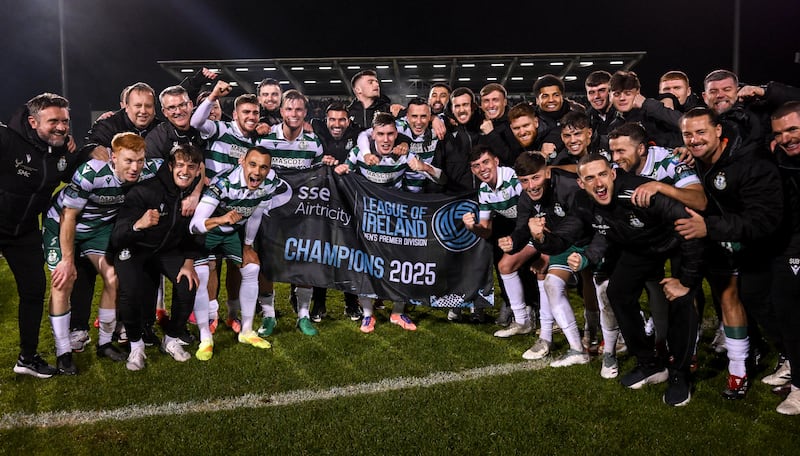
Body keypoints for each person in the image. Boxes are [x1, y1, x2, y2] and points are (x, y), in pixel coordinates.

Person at [545, 154, 704, 406]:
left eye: (602, 174)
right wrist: (542, 237)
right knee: (618, 292)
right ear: (580, 184)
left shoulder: (637, 191)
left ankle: (680, 375)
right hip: (641, 246)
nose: (598, 183)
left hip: (678, 241)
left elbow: (689, 224)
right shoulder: (583, 201)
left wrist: (686, 280)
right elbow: (565, 234)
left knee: (681, 297)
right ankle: (649, 364)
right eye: (590, 178)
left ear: (613, 174)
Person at [675, 107, 783, 400]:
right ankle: (691, 356)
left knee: (739, 298)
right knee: (699, 296)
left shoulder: (749, 161)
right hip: (710, 239)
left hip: (753, 243)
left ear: (718, 131)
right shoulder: (693, 160)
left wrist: (710, 227)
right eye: (687, 135)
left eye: (701, 132)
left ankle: (744, 368)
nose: (694, 140)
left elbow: (762, 219)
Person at [44, 132, 163, 374]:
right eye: (128, 161)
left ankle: (105, 343)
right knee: (63, 280)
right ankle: (63, 352)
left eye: (140, 160)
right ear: (113, 157)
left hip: (98, 230)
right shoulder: (91, 173)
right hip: (62, 226)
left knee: (113, 278)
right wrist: (67, 260)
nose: (135, 168)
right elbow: (69, 216)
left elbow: (184, 164)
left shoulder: (149, 169)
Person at [604, 121, 707, 376]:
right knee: (636, 287)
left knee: (685, 290)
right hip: (649, 237)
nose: (615, 158)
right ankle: (656, 344)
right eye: (613, 152)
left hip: (683, 233)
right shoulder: (616, 168)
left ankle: (690, 348)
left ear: (641, 149)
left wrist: (659, 186)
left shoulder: (670, 161)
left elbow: (700, 200)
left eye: (621, 151)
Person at [2, 92, 86, 378]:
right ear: (33, 122)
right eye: (53, 121)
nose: (61, 127)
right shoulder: (7, 140)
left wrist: (85, 150)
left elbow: (73, 173)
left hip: (24, 231)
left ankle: (27, 358)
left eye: (65, 121)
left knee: (34, 291)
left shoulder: (61, 150)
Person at [334, 112, 441, 333]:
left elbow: (428, 183)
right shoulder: (358, 153)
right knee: (364, 265)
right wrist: (340, 170)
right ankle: (367, 314)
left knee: (401, 265)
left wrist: (423, 168)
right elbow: (343, 176)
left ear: (396, 135)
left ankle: (397, 312)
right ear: (372, 135)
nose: (386, 139)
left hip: (396, 220)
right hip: (368, 219)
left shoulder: (404, 154)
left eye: (390, 134)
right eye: (381, 134)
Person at [110, 144, 205, 370]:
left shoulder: (195, 195)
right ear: (170, 166)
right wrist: (138, 225)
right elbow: (117, 236)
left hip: (166, 250)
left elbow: (197, 231)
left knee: (187, 284)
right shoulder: (145, 191)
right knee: (130, 291)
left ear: (197, 171)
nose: (185, 171)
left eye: (191, 167)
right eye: (180, 165)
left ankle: (171, 339)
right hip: (134, 248)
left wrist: (189, 262)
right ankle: (136, 345)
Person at [189, 145, 279, 360]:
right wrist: (221, 219)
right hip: (208, 232)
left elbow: (255, 215)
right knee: (202, 274)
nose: (257, 172)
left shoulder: (270, 183)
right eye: (253, 165)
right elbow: (194, 225)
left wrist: (247, 245)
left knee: (252, 267)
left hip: (232, 233)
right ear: (243, 162)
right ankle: (205, 338)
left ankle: (246, 331)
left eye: (263, 167)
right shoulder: (223, 183)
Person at [506, 152, 590, 368]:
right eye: (524, 181)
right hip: (563, 243)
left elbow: (577, 224)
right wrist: (512, 241)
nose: (531, 186)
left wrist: (544, 243)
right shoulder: (526, 196)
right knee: (552, 284)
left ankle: (614, 338)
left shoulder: (569, 187)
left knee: (601, 292)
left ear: (547, 173)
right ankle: (577, 350)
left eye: (535, 178)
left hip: (592, 240)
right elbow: (522, 227)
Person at [190, 80, 261, 334]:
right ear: (236, 114)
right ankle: (211, 315)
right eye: (246, 112)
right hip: (212, 208)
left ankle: (232, 314)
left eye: (255, 113)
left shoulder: (254, 142)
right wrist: (212, 96)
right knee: (209, 265)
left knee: (234, 265)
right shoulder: (220, 129)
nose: (251, 117)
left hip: (238, 211)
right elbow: (195, 122)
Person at [256, 89, 326, 337]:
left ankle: (303, 315)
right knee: (266, 264)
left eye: (298, 109)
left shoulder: (314, 143)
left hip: (301, 214)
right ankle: (269, 316)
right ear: (281, 111)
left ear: (305, 113)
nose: (294, 114)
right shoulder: (265, 140)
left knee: (305, 261)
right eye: (289, 109)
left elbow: (320, 177)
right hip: (270, 213)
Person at [461, 145, 538, 343]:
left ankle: (538, 315)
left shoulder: (513, 178)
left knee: (536, 269)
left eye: (485, 162)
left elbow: (533, 207)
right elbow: (486, 230)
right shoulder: (484, 190)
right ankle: (523, 316)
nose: (482, 169)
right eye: (476, 166)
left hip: (538, 225)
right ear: (472, 170)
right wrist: (472, 227)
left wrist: (520, 237)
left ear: (496, 161)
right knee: (505, 263)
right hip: (521, 229)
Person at [308, 102, 364, 321]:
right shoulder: (316, 128)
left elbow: (384, 133)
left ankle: (351, 303)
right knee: (321, 252)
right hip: (321, 200)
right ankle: (318, 303)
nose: (337, 124)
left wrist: (404, 141)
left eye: (342, 119)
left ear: (348, 121)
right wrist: (320, 160)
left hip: (349, 200)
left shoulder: (358, 133)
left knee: (349, 252)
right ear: (326, 120)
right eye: (333, 119)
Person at [768, 101, 800, 414]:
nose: (785, 138)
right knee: (785, 311)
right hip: (789, 245)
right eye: (779, 133)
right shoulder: (779, 155)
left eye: (792, 129)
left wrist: (766, 90)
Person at [607, 71, 683, 148]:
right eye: (617, 94)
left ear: (637, 91)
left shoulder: (652, 112)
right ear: (610, 95)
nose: (622, 98)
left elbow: (683, 122)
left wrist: (646, 104)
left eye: (628, 93)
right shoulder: (613, 125)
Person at [532, 74, 585, 151]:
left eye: (556, 95)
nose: (551, 100)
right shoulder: (530, 119)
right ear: (537, 100)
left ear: (562, 96)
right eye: (545, 96)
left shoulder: (578, 116)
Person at [584, 70, 615, 150]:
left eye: (601, 90)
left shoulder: (624, 115)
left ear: (611, 91)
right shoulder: (586, 119)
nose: (596, 96)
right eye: (591, 92)